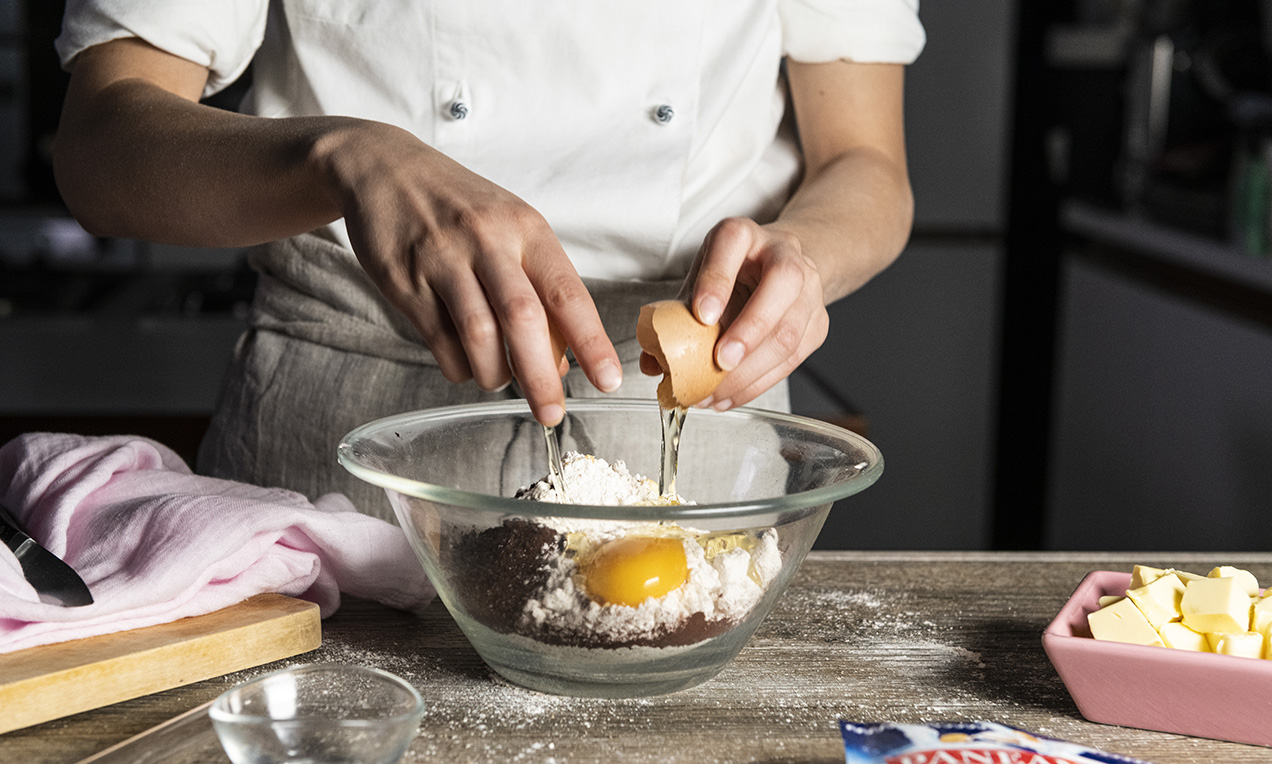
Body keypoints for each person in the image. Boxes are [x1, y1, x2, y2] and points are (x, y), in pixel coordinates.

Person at [51, 1, 925, 520]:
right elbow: (100, 148)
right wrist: (346, 156)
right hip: (342, 435)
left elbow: (866, 166)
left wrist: (803, 254)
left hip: (687, 433)